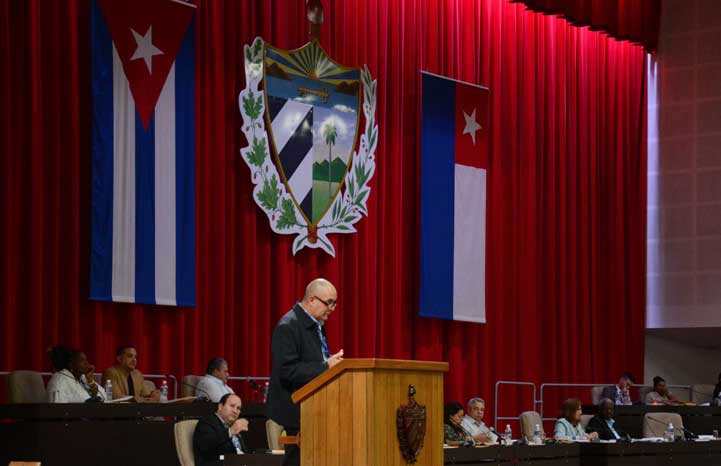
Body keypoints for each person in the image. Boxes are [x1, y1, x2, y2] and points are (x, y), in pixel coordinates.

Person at [267, 278, 344, 466]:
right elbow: (286, 370)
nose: (332, 308)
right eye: (329, 303)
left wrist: (327, 363)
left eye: (335, 303)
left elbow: (312, 361)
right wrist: (326, 366)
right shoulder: (288, 326)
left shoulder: (316, 324)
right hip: (296, 413)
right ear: (311, 299)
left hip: (315, 410)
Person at [193, 393, 250, 466]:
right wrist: (230, 431)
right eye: (232, 406)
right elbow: (208, 448)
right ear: (220, 407)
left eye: (238, 408)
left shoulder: (233, 426)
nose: (235, 411)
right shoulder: (206, 423)